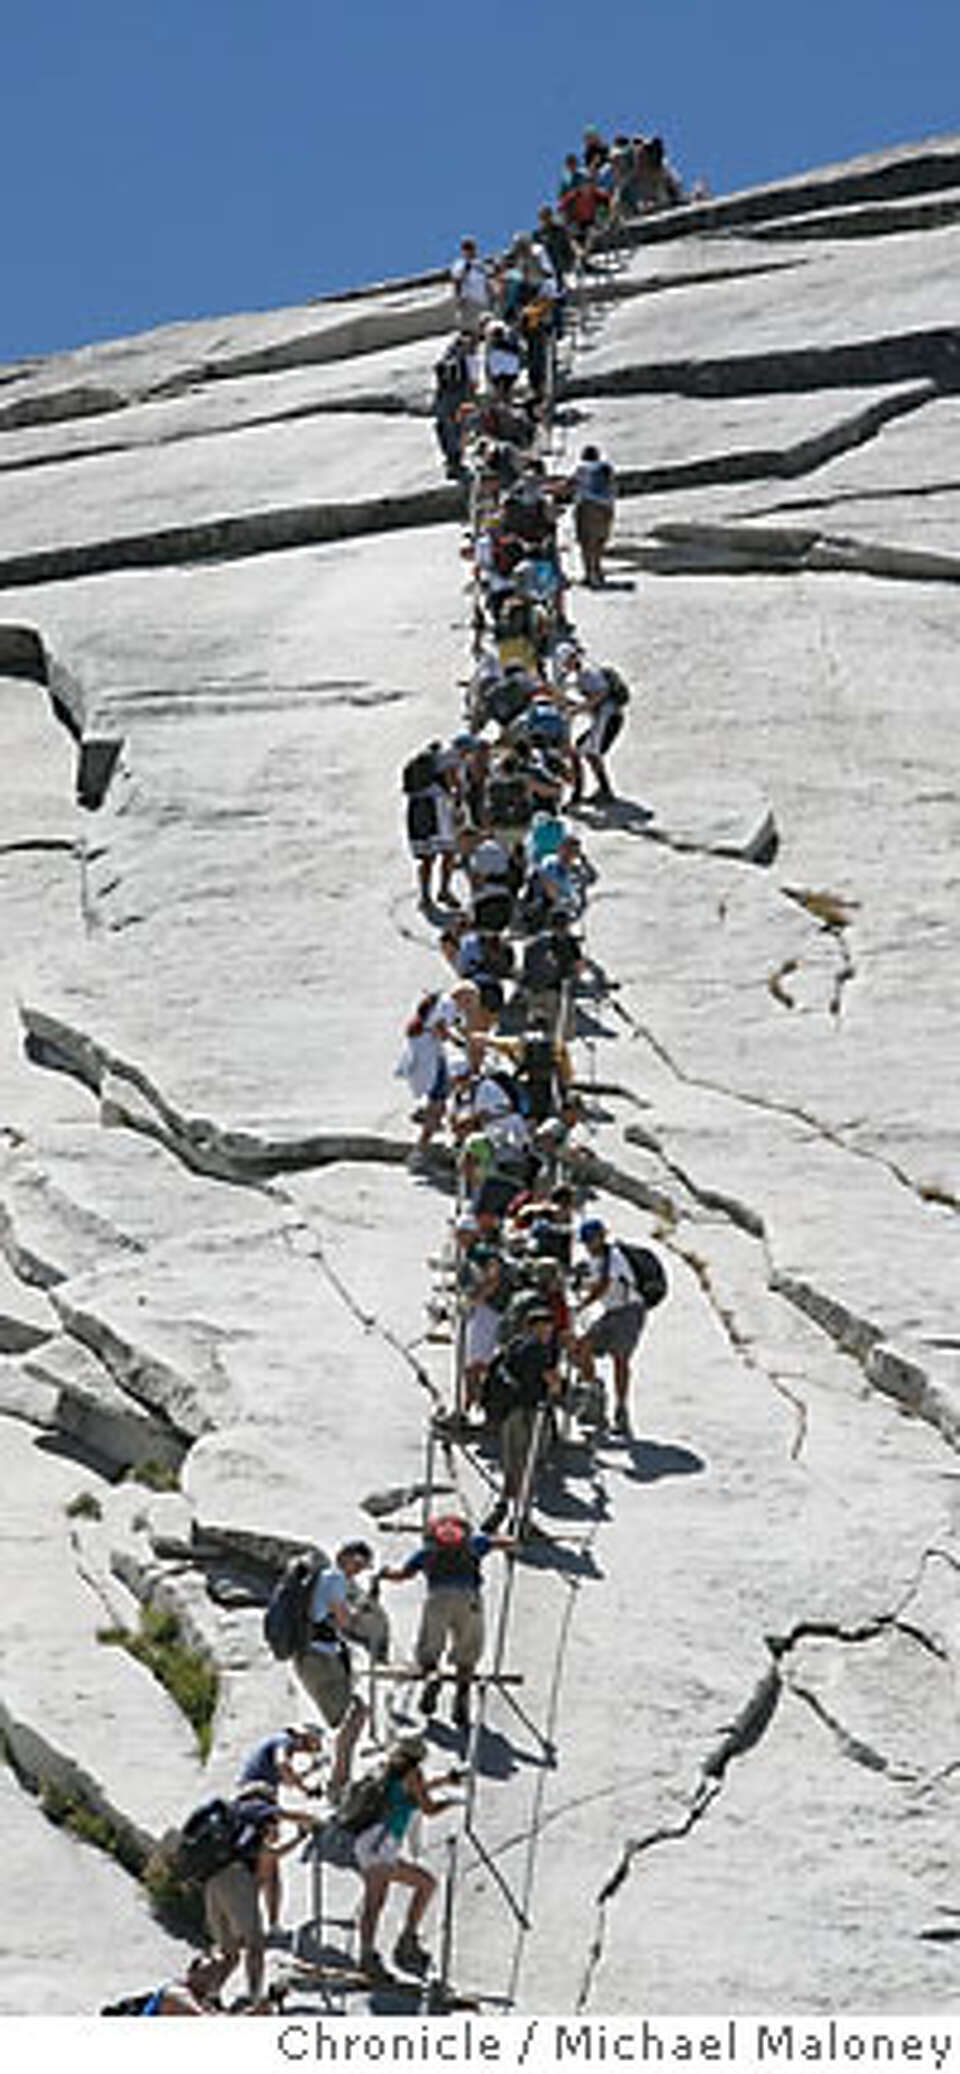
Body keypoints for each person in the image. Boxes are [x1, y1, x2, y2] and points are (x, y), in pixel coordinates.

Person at [379, 1515, 515, 1732]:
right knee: (468, 1649)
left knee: (429, 1647)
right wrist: (512, 1542)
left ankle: (433, 1676)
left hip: (438, 1598)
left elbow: (403, 1575)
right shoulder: (473, 1544)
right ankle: (462, 1694)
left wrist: (384, 1574)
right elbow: (505, 1542)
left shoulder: (427, 1552)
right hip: (469, 1598)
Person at [352, 1738, 463, 1979]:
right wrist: (453, 1801)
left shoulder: (389, 1770)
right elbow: (428, 1808)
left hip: (372, 1842)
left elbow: (413, 1795)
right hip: (382, 1845)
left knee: (422, 1884)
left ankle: (393, 1945)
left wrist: (444, 1781)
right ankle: (374, 1954)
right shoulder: (414, 1773)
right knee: (378, 1902)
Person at [203, 1794, 307, 2005]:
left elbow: (267, 1852)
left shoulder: (233, 1824)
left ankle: (210, 1994)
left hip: (212, 1881)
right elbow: (273, 1853)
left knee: (229, 1953)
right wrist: (309, 1826)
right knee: (255, 1944)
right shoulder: (257, 1809)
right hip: (236, 1880)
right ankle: (254, 1997)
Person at [292, 1540, 375, 1797]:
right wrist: (356, 1614)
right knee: (355, 1714)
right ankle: (339, 1783)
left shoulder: (321, 1578)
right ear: (346, 1557)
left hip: (311, 1655)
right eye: (358, 1564)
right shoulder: (335, 1578)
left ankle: (340, 1778)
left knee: (353, 1714)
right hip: (320, 1658)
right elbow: (343, 1619)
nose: (357, 1572)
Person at [573, 1218, 645, 1432]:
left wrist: (582, 1304)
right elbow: (596, 1282)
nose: (588, 1244)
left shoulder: (614, 1257)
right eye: (586, 1241)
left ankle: (621, 1410)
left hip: (629, 1311)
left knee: (620, 1360)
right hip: (612, 1312)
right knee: (582, 1347)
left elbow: (605, 1286)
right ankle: (593, 1396)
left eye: (591, 1240)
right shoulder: (595, 1259)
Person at [574, 662, 629, 802]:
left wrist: (578, 709)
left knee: (588, 751)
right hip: (608, 719)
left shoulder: (587, 674)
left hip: (609, 719)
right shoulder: (584, 673)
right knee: (586, 749)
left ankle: (602, 791)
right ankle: (604, 789)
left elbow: (601, 694)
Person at [569, 445, 616, 588]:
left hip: (587, 507)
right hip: (606, 508)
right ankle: (598, 572)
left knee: (586, 543)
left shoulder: (582, 468)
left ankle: (590, 575)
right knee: (599, 542)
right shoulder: (606, 468)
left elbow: (571, 485)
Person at [451, 237, 490, 336]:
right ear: (463, 251)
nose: (470, 251)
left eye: (471, 248)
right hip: (468, 300)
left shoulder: (480, 264)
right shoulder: (459, 264)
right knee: (468, 328)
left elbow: (486, 281)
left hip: (482, 300)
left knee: (483, 326)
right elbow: (457, 280)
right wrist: (458, 298)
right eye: (467, 248)